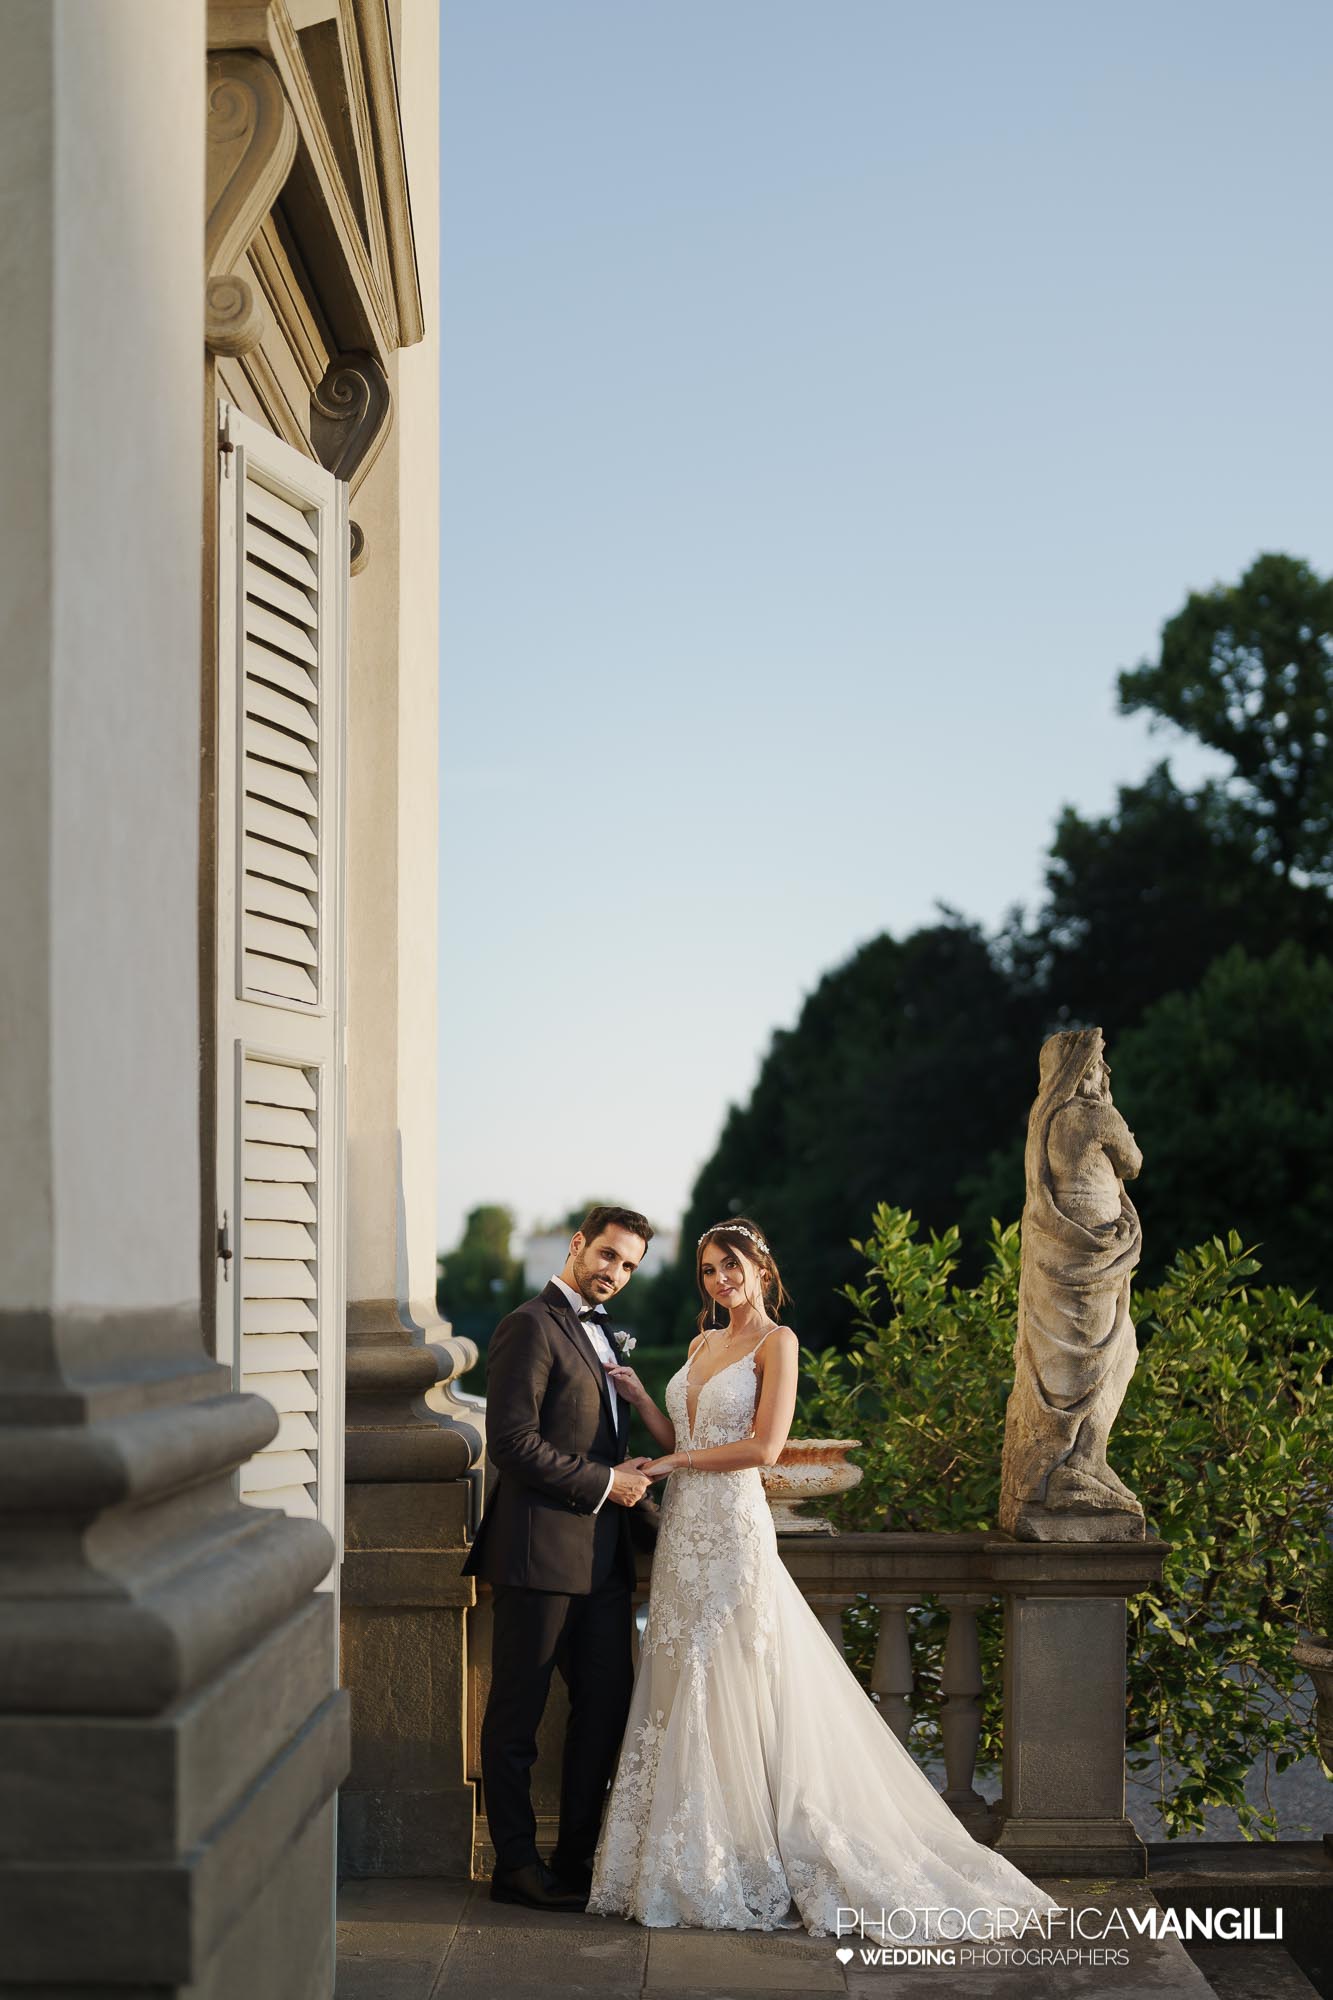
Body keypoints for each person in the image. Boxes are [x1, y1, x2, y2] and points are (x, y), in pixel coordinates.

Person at [586, 1217, 1064, 1939]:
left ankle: (749, 1858)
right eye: (709, 1269)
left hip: (732, 1528)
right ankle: (695, 1856)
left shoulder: (777, 1342)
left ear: (761, 1270)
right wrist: (642, 1400)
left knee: (734, 1674)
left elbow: (765, 1447)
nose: (720, 1279)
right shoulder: (700, 1343)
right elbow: (685, 1437)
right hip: (684, 1529)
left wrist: (677, 1464)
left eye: (732, 1265)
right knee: (682, 1673)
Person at [462, 1204, 660, 1911]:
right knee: (516, 1719)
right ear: (578, 1245)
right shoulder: (529, 1324)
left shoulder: (603, 1333)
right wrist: (607, 1482)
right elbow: (512, 1443)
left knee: (604, 1709)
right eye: (608, 1255)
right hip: (537, 1553)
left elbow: (590, 1438)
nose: (615, 1273)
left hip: (603, 1562)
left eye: (628, 1265)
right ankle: (515, 1866)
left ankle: (576, 1862)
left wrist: (624, 1474)